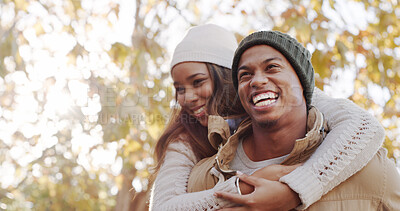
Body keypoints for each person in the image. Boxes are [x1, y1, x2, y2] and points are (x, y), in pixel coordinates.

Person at [149, 24, 385, 210]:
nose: (186, 98)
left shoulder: (287, 92)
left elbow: (364, 126)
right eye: (179, 88)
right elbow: (163, 206)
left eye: (198, 82)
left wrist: (294, 190)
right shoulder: (185, 137)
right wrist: (243, 188)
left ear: (226, 77)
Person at [206, 30, 400, 210]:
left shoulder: (372, 173)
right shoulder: (210, 175)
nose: (256, 81)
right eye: (245, 75)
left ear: (302, 82)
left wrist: (295, 190)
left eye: (272, 67)